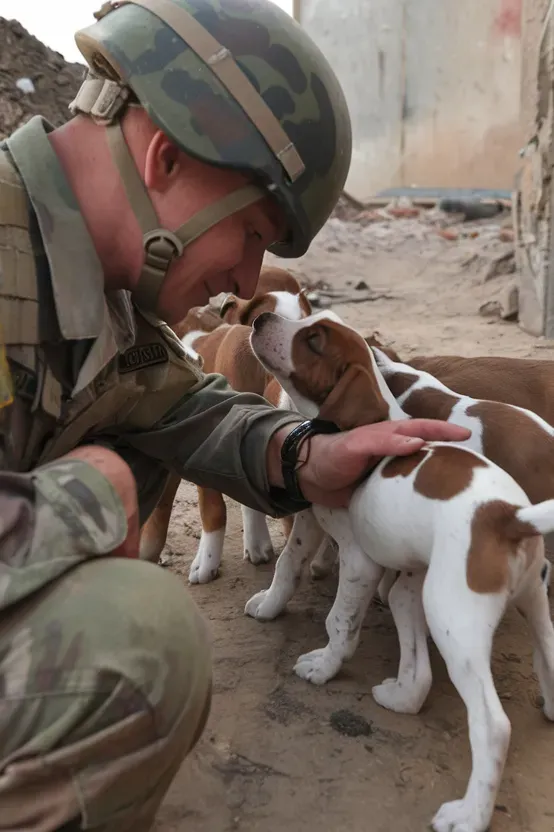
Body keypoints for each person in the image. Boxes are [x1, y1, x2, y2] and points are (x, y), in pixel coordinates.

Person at [0, 1, 470, 829]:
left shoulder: (108, 305)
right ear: (166, 159)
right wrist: (86, 499)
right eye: (253, 232)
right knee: (137, 639)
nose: (245, 279)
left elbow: (188, 409)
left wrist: (304, 455)